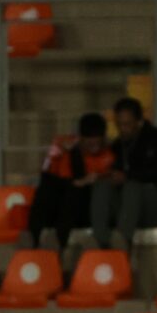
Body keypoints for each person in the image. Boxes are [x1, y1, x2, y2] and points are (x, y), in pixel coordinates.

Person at [95, 97, 157, 257]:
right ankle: (102, 240)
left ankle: (123, 241)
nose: (123, 129)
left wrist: (128, 176)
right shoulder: (117, 146)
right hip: (128, 207)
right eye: (119, 125)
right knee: (103, 186)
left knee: (133, 185)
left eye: (127, 124)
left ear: (139, 121)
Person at [26, 112, 114, 265]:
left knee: (74, 190)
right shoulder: (63, 145)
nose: (94, 147)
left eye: (97, 143)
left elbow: (88, 181)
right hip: (60, 204)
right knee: (49, 187)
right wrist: (59, 153)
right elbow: (46, 172)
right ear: (81, 138)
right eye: (89, 143)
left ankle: (60, 245)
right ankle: (34, 239)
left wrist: (77, 159)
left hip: (85, 208)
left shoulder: (109, 156)